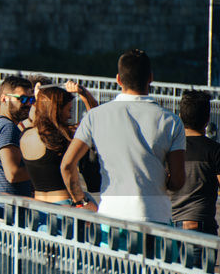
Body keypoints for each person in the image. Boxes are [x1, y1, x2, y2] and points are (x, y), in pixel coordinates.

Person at [59, 50, 184, 225]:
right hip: (156, 217)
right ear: (150, 78)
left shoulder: (95, 116)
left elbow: (67, 165)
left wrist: (81, 201)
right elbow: (178, 181)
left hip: (111, 216)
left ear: (118, 79)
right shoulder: (171, 121)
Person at [21, 86, 94, 205]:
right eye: (69, 110)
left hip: (38, 206)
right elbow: (94, 118)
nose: (70, 116)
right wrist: (84, 93)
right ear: (57, 110)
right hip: (64, 204)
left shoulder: (25, 134)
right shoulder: (65, 135)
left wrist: (39, 99)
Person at [171, 90, 220, 233]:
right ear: (207, 119)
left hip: (168, 226)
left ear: (180, 117)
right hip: (201, 225)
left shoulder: (169, 149)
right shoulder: (215, 150)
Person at [0, 75, 34, 197]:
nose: (28, 104)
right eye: (23, 99)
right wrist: (45, 171)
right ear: (4, 99)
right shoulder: (7, 128)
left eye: (31, 100)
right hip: (8, 210)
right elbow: (13, 174)